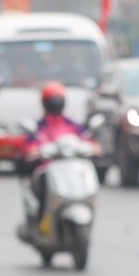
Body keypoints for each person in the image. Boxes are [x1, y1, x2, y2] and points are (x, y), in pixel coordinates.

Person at [22, 81, 91, 217]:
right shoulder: (38, 127)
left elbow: (87, 140)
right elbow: (28, 147)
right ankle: (41, 218)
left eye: (57, 98)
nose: (55, 102)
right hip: (48, 169)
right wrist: (35, 151)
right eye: (52, 99)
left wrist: (93, 148)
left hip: (71, 168)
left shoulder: (72, 125)